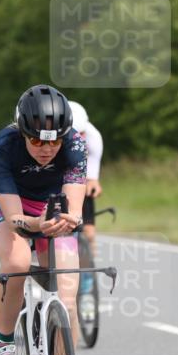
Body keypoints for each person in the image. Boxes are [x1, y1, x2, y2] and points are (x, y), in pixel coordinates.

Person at [0, 85, 86, 355]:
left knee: (67, 293)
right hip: (7, 207)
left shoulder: (75, 145)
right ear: (22, 133)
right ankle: (4, 345)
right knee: (17, 263)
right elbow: (14, 219)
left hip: (51, 206)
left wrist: (69, 220)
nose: (47, 149)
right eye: (37, 142)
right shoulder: (0, 148)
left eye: (54, 142)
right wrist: (37, 225)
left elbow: (74, 207)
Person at [68, 102, 104, 317]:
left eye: (81, 132)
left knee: (88, 235)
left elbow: (92, 175)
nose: (79, 137)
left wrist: (93, 183)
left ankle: (87, 294)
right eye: (75, 134)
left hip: (79, 182)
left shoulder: (93, 138)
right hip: (57, 182)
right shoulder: (55, 139)